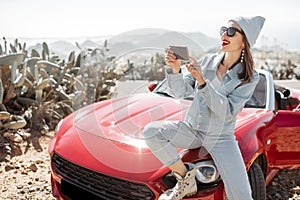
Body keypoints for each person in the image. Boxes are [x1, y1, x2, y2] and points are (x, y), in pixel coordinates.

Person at [143, 16, 265, 200]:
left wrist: (202, 81)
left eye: (231, 32)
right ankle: (185, 179)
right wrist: (175, 70)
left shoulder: (249, 77)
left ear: (244, 41)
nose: (224, 34)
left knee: (242, 194)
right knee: (152, 132)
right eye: (223, 29)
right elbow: (180, 92)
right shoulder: (208, 61)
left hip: (221, 138)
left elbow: (227, 111)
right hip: (192, 130)